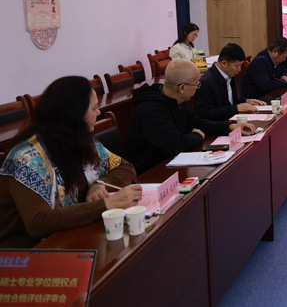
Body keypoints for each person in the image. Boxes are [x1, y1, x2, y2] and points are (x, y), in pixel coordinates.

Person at [0, 76, 141, 248]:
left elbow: (125, 167)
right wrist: (106, 204)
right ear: (75, 115)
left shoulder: (78, 141)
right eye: (94, 108)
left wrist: (99, 185)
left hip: (70, 234)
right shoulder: (26, 159)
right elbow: (38, 222)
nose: (98, 113)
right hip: (25, 252)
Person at [124, 60, 255, 174]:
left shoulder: (175, 99)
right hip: (148, 172)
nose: (197, 88)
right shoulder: (152, 110)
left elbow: (197, 122)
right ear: (182, 88)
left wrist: (230, 127)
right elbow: (176, 144)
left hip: (169, 163)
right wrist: (197, 136)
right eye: (196, 84)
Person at [194, 43, 266, 121]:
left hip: (231, 121)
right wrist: (236, 108)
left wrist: (246, 101)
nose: (239, 70)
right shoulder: (206, 82)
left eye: (240, 66)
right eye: (237, 66)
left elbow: (230, 103)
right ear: (224, 63)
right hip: (219, 125)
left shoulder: (229, 75)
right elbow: (206, 114)